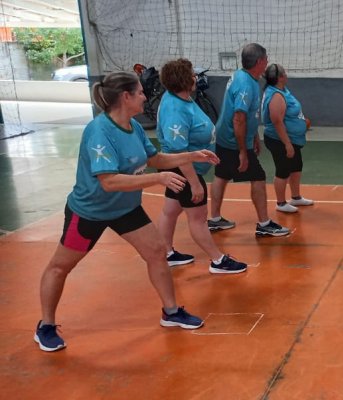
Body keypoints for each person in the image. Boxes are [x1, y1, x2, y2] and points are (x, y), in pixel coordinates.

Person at [34, 72, 218, 352]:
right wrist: (158, 179)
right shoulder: (100, 131)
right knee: (61, 266)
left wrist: (192, 155)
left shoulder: (133, 125)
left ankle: (171, 312)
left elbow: (155, 158)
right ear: (126, 97)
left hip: (125, 209)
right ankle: (45, 326)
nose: (146, 96)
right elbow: (109, 181)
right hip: (90, 212)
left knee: (157, 252)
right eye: (141, 92)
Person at [154, 58, 247, 274]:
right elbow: (179, 151)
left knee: (170, 210)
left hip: (182, 167)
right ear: (184, 80)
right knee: (197, 217)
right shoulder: (175, 108)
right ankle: (217, 260)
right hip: (183, 169)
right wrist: (194, 183)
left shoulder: (183, 99)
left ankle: (166, 253)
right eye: (192, 74)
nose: (196, 77)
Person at [207, 43, 290, 237]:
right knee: (258, 177)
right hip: (232, 140)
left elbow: (246, 116)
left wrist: (253, 136)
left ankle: (215, 220)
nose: (268, 61)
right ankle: (264, 223)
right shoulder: (246, 84)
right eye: (266, 58)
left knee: (222, 175)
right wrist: (242, 151)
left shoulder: (242, 75)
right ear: (260, 61)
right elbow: (239, 118)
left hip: (225, 137)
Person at [261, 63, 314, 213]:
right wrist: (287, 144)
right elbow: (277, 121)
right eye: (284, 73)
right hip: (280, 140)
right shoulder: (276, 95)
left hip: (293, 138)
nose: (286, 75)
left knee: (296, 166)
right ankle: (281, 203)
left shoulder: (282, 90)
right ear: (280, 77)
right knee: (283, 170)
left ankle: (296, 197)